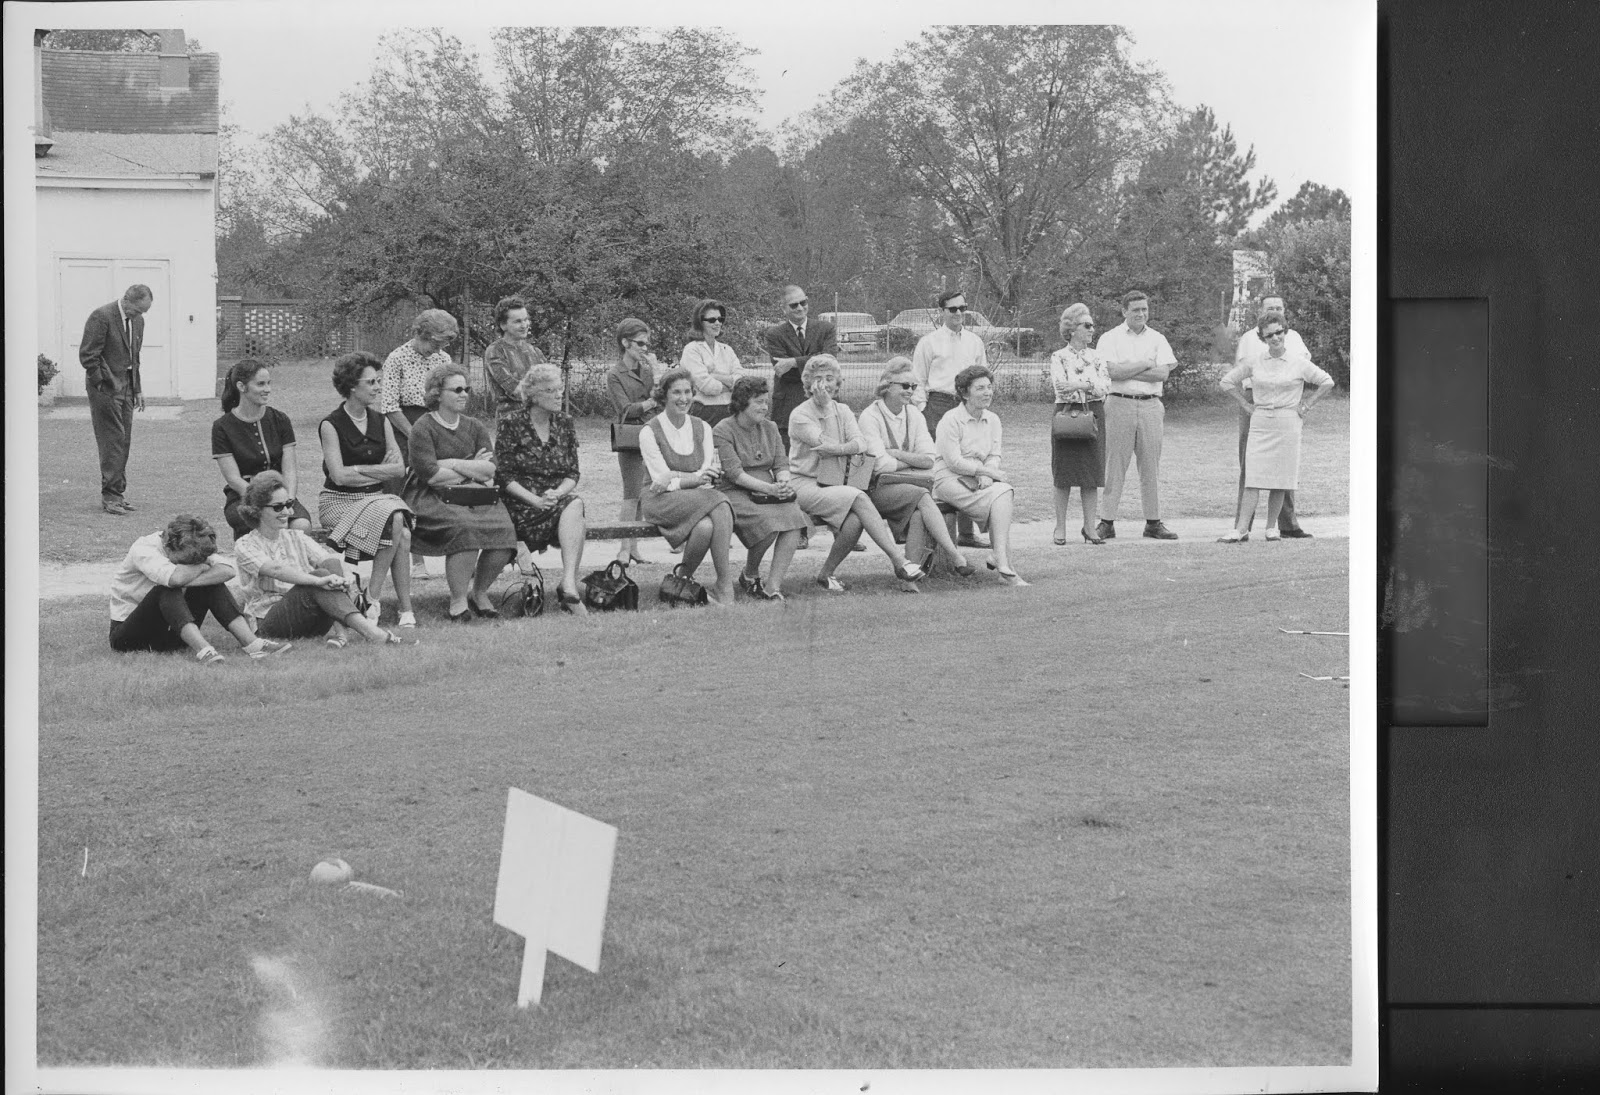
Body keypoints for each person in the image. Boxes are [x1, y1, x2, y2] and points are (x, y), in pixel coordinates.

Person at [788, 355, 928, 593]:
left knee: (854, 521)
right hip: (806, 483)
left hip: (834, 483)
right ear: (809, 384)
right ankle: (900, 561)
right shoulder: (800, 415)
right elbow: (824, 443)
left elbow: (860, 444)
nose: (825, 384)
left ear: (838, 382)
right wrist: (841, 442)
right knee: (859, 497)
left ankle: (826, 574)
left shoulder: (842, 409)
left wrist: (839, 448)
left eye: (830, 378)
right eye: (818, 379)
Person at [233, 473, 412, 647]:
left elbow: (327, 560)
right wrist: (318, 580)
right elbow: (276, 570)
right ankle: (373, 634)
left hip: (309, 619)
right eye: (278, 507)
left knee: (331, 566)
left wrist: (345, 576)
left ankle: (342, 635)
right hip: (270, 622)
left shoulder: (296, 536)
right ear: (256, 510)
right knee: (319, 576)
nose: (288, 511)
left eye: (289, 504)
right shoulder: (245, 545)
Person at [401, 364, 519, 622]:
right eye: (456, 389)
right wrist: (470, 466)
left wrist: (452, 463)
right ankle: (457, 601)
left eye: (466, 389)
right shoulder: (423, 427)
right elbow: (430, 475)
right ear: (437, 393)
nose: (464, 394)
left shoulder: (475, 426)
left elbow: (489, 469)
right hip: (430, 496)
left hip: (475, 493)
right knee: (463, 526)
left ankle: (480, 592)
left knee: (504, 528)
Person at [317, 351, 417, 629]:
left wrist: (358, 470)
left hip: (377, 499)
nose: (378, 387)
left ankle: (380, 601)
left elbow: (399, 469)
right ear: (352, 386)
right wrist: (373, 470)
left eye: (378, 381)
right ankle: (382, 602)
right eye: (371, 382)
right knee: (398, 522)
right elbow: (338, 476)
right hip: (339, 502)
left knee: (401, 529)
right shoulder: (331, 424)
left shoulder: (381, 420)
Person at [107, 513, 290, 665]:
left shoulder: (193, 543)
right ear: (169, 547)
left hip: (172, 634)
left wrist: (194, 573)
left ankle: (253, 644)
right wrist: (202, 567)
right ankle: (204, 651)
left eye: (197, 561)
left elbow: (227, 570)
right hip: (130, 636)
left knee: (212, 584)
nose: (193, 564)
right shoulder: (144, 549)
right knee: (165, 589)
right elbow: (175, 578)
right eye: (187, 561)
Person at [1217, 315, 1335, 542]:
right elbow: (1226, 382)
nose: (1275, 338)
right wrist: (1245, 405)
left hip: (1288, 422)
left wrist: (1307, 405)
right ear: (1262, 337)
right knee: (1253, 476)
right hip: (1260, 422)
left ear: (1285, 332)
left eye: (1279, 332)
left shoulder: (1298, 362)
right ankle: (1241, 529)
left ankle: (1272, 527)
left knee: (1281, 477)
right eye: (1269, 334)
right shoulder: (1254, 361)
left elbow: (1326, 381)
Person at [856, 358, 973, 583]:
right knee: (921, 496)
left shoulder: (914, 415)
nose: (910, 391)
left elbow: (929, 459)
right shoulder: (870, 417)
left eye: (914, 386)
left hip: (909, 488)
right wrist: (911, 462)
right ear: (887, 385)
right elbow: (880, 465)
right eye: (905, 386)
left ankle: (910, 578)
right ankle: (956, 556)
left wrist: (897, 454)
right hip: (874, 490)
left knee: (920, 511)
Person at [495, 363, 589, 615]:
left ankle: (568, 583)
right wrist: (535, 500)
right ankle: (566, 589)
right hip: (521, 504)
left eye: (560, 389)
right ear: (534, 396)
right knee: (575, 514)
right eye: (551, 390)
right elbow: (503, 476)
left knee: (575, 503)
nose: (559, 394)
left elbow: (572, 473)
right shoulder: (511, 423)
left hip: (555, 501)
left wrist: (557, 493)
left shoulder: (565, 422)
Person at [639, 368, 738, 605]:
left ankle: (682, 581)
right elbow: (664, 482)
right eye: (676, 392)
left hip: (696, 497)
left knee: (704, 527)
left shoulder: (702, 426)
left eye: (687, 392)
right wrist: (690, 477)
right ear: (663, 395)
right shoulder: (649, 431)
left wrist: (685, 476)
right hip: (659, 500)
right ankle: (724, 583)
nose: (683, 398)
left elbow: (706, 472)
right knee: (720, 501)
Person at [711, 376, 806, 601]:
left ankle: (772, 587)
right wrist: (770, 489)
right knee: (768, 522)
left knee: (794, 518)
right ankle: (750, 574)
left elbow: (781, 464)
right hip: (733, 492)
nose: (765, 407)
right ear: (742, 403)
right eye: (759, 402)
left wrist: (783, 482)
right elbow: (734, 473)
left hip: (767, 491)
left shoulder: (771, 427)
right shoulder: (722, 430)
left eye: (766, 402)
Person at [381, 308, 459, 580]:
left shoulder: (443, 358)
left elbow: (446, 398)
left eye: (443, 344)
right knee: (407, 492)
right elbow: (389, 406)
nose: (438, 349)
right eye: (435, 342)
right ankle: (416, 560)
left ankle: (457, 554)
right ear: (421, 334)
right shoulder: (397, 358)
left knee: (443, 488)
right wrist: (418, 435)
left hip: (435, 424)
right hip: (403, 428)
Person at [1095, 290, 1179, 541]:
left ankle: (1153, 522)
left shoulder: (1158, 338)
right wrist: (1145, 363)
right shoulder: (1110, 338)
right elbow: (1111, 372)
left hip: (1151, 405)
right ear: (1124, 311)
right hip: (1119, 404)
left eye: (1144, 309)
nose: (1141, 314)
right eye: (1135, 310)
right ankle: (1106, 521)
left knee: (1150, 465)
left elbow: (1162, 374)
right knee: (1115, 464)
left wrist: (1128, 369)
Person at [910, 288, 991, 549]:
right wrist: (923, 409)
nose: (959, 314)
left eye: (962, 308)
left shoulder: (974, 342)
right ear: (941, 312)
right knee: (942, 465)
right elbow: (918, 379)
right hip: (938, 404)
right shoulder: (929, 342)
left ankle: (967, 533)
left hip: (966, 405)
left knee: (968, 461)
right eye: (953, 309)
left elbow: (982, 376)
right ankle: (940, 532)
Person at [933, 365, 1027, 586]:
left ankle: (1002, 561)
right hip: (949, 479)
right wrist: (985, 472)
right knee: (1000, 496)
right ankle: (1004, 564)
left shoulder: (993, 419)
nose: (987, 393)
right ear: (965, 393)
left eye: (989, 387)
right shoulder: (950, 419)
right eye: (980, 388)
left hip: (980, 480)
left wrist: (988, 474)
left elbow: (995, 455)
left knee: (1003, 491)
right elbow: (953, 461)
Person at [1232, 295, 1312, 537]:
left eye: (1279, 307)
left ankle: (1286, 524)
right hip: (1257, 401)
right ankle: (1242, 526)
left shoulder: (1294, 337)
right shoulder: (1249, 338)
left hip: (1286, 405)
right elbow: (1242, 373)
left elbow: (1304, 368)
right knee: (1251, 463)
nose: (1275, 310)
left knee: (1284, 466)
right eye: (1270, 307)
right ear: (1260, 311)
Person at [212, 359, 312, 538]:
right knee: (261, 526)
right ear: (242, 386)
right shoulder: (222, 426)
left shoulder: (280, 419)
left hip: (281, 494)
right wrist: (263, 501)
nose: (268, 389)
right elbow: (233, 478)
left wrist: (287, 499)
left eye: (268, 383)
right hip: (244, 497)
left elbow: (289, 469)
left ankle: (293, 564)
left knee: (301, 525)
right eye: (260, 384)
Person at [80, 284, 150, 515]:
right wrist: (103, 383)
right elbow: (89, 355)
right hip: (106, 389)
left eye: (143, 312)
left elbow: (134, 358)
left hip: (127, 388)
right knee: (112, 440)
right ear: (126, 300)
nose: (139, 316)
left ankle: (118, 494)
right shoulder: (101, 317)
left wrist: (136, 389)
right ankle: (110, 497)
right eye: (137, 311)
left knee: (124, 440)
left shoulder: (138, 321)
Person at [1048, 304, 1112, 545]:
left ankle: (1089, 527)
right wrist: (1088, 385)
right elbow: (1061, 389)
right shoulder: (1058, 357)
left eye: (1092, 326)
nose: (1091, 330)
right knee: (1063, 473)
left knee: (1091, 473)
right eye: (1087, 325)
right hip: (1066, 416)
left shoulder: (1097, 356)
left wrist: (1080, 385)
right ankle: (1060, 527)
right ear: (1072, 329)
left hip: (1093, 415)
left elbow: (1105, 387)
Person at [605, 318, 661, 567]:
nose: (644, 349)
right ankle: (623, 549)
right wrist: (650, 402)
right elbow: (625, 409)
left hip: (648, 436)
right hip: (630, 440)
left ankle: (634, 547)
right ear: (625, 343)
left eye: (646, 344)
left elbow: (656, 401)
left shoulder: (647, 370)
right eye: (640, 343)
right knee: (631, 495)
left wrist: (655, 392)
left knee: (640, 495)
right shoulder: (615, 374)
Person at [762, 285, 838, 455]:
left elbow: (829, 360)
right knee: (790, 458)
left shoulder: (826, 329)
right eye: (793, 305)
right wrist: (813, 361)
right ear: (784, 309)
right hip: (789, 405)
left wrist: (794, 361)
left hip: (824, 401)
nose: (800, 308)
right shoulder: (774, 334)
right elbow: (784, 372)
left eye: (803, 302)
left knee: (829, 452)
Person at [680, 298, 749, 426]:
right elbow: (707, 387)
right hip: (704, 412)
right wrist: (730, 384)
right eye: (712, 320)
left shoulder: (726, 349)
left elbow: (742, 382)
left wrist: (715, 376)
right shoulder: (692, 350)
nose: (718, 323)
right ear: (700, 322)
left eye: (720, 319)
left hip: (730, 411)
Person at [482, 295, 547, 423]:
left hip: (540, 418)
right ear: (503, 325)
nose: (524, 325)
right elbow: (514, 389)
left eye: (525, 320)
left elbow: (551, 383)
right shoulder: (495, 351)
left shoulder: (536, 352)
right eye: (518, 321)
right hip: (511, 422)